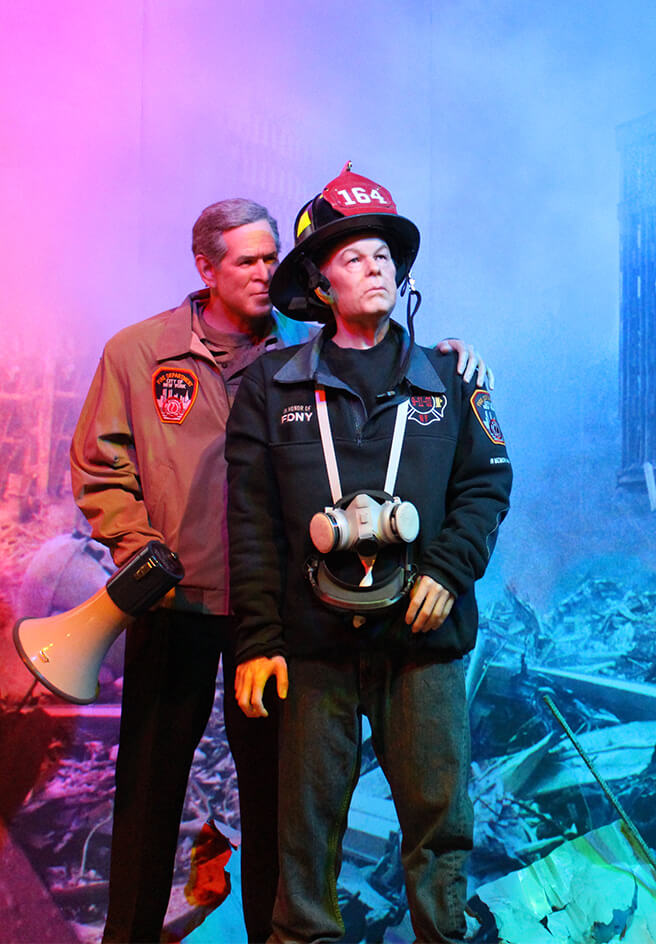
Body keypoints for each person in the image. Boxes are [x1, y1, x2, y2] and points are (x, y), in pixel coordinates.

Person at [69, 195, 492, 944]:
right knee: (149, 792)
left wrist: (451, 360)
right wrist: (142, 553)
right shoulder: (140, 353)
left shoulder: (302, 350)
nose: (267, 273)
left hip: (277, 615)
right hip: (184, 603)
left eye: (273, 258)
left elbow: (392, 361)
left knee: (280, 804)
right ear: (205, 267)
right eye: (248, 261)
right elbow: (103, 466)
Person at [226, 163, 512, 943]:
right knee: (304, 841)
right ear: (320, 284)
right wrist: (258, 640)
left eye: (384, 253)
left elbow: (487, 485)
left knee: (440, 829)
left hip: (422, 642)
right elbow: (249, 524)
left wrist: (449, 572)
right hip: (315, 646)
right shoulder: (269, 389)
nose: (374, 266)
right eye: (352, 256)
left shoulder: (451, 377)